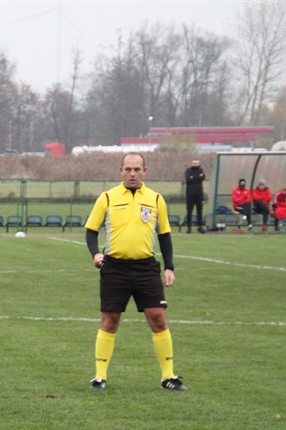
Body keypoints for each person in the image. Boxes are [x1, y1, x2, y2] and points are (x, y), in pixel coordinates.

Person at [84, 152, 186, 392]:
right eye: (128, 169)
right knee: (109, 320)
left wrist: (169, 266)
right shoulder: (107, 198)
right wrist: (95, 253)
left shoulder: (155, 198)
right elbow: (91, 231)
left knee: (158, 318)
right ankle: (99, 377)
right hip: (115, 268)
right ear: (121, 171)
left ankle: (168, 377)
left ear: (144, 171)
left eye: (137, 169)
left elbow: (164, 234)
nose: (132, 174)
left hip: (146, 268)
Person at [182, 159, 205, 233]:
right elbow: (188, 179)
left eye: (197, 163)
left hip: (199, 195)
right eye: (194, 163)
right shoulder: (188, 171)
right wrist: (197, 177)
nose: (195, 165)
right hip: (190, 195)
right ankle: (189, 228)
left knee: (199, 211)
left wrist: (193, 177)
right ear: (192, 163)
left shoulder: (201, 170)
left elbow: (202, 177)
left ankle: (200, 227)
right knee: (189, 211)